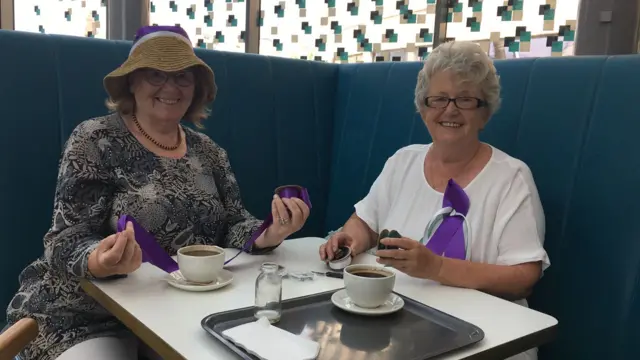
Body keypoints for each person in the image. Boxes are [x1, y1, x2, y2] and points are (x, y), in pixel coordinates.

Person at [6, 25, 310, 360]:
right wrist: (100, 259)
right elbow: (65, 240)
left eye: (183, 77)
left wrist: (271, 231)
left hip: (179, 312)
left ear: (196, 88)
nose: (171, 86)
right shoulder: (95, 139)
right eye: (155, 74)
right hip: (87, 314)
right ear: (132, 81)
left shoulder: (209, 152)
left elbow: (233, 226)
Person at [319, 41, 549, 360]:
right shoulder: (403, 161)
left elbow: (523, 278)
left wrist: (436, 267)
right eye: (438, 99)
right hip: (396, 327)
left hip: (488, 340)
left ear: (485, 112)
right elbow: (365, 222)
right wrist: (350, 241)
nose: (449, 110)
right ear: (424, 109)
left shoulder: (511, 178)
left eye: (465, 100)